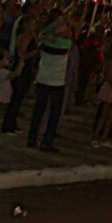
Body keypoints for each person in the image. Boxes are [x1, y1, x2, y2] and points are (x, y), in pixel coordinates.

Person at [28, 9, 73, 152]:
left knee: (38, 111)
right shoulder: (65, 44)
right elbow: (69, 36)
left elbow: (42, 34)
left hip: (43, 79)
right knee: (54, 114)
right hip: (56, 82)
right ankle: (47, 142)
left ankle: (32, 138)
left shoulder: (44, 40)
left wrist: (53, 25)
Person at [2, 15, 39, 134]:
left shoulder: (32, 37)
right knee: (16, 96)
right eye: (32, 24)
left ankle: (13, 122)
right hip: (21, 67)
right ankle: (8, 124)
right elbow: (22, 54)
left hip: (28, 68)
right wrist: (33, 52)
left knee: (20, 97)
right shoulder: (22, 37)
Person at [0, 49, 24, 152]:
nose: (8, 60)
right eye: (6, 59)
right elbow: (16, 74)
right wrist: (21, 60)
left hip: (0, 99)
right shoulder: (0, 72)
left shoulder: (0, 72)